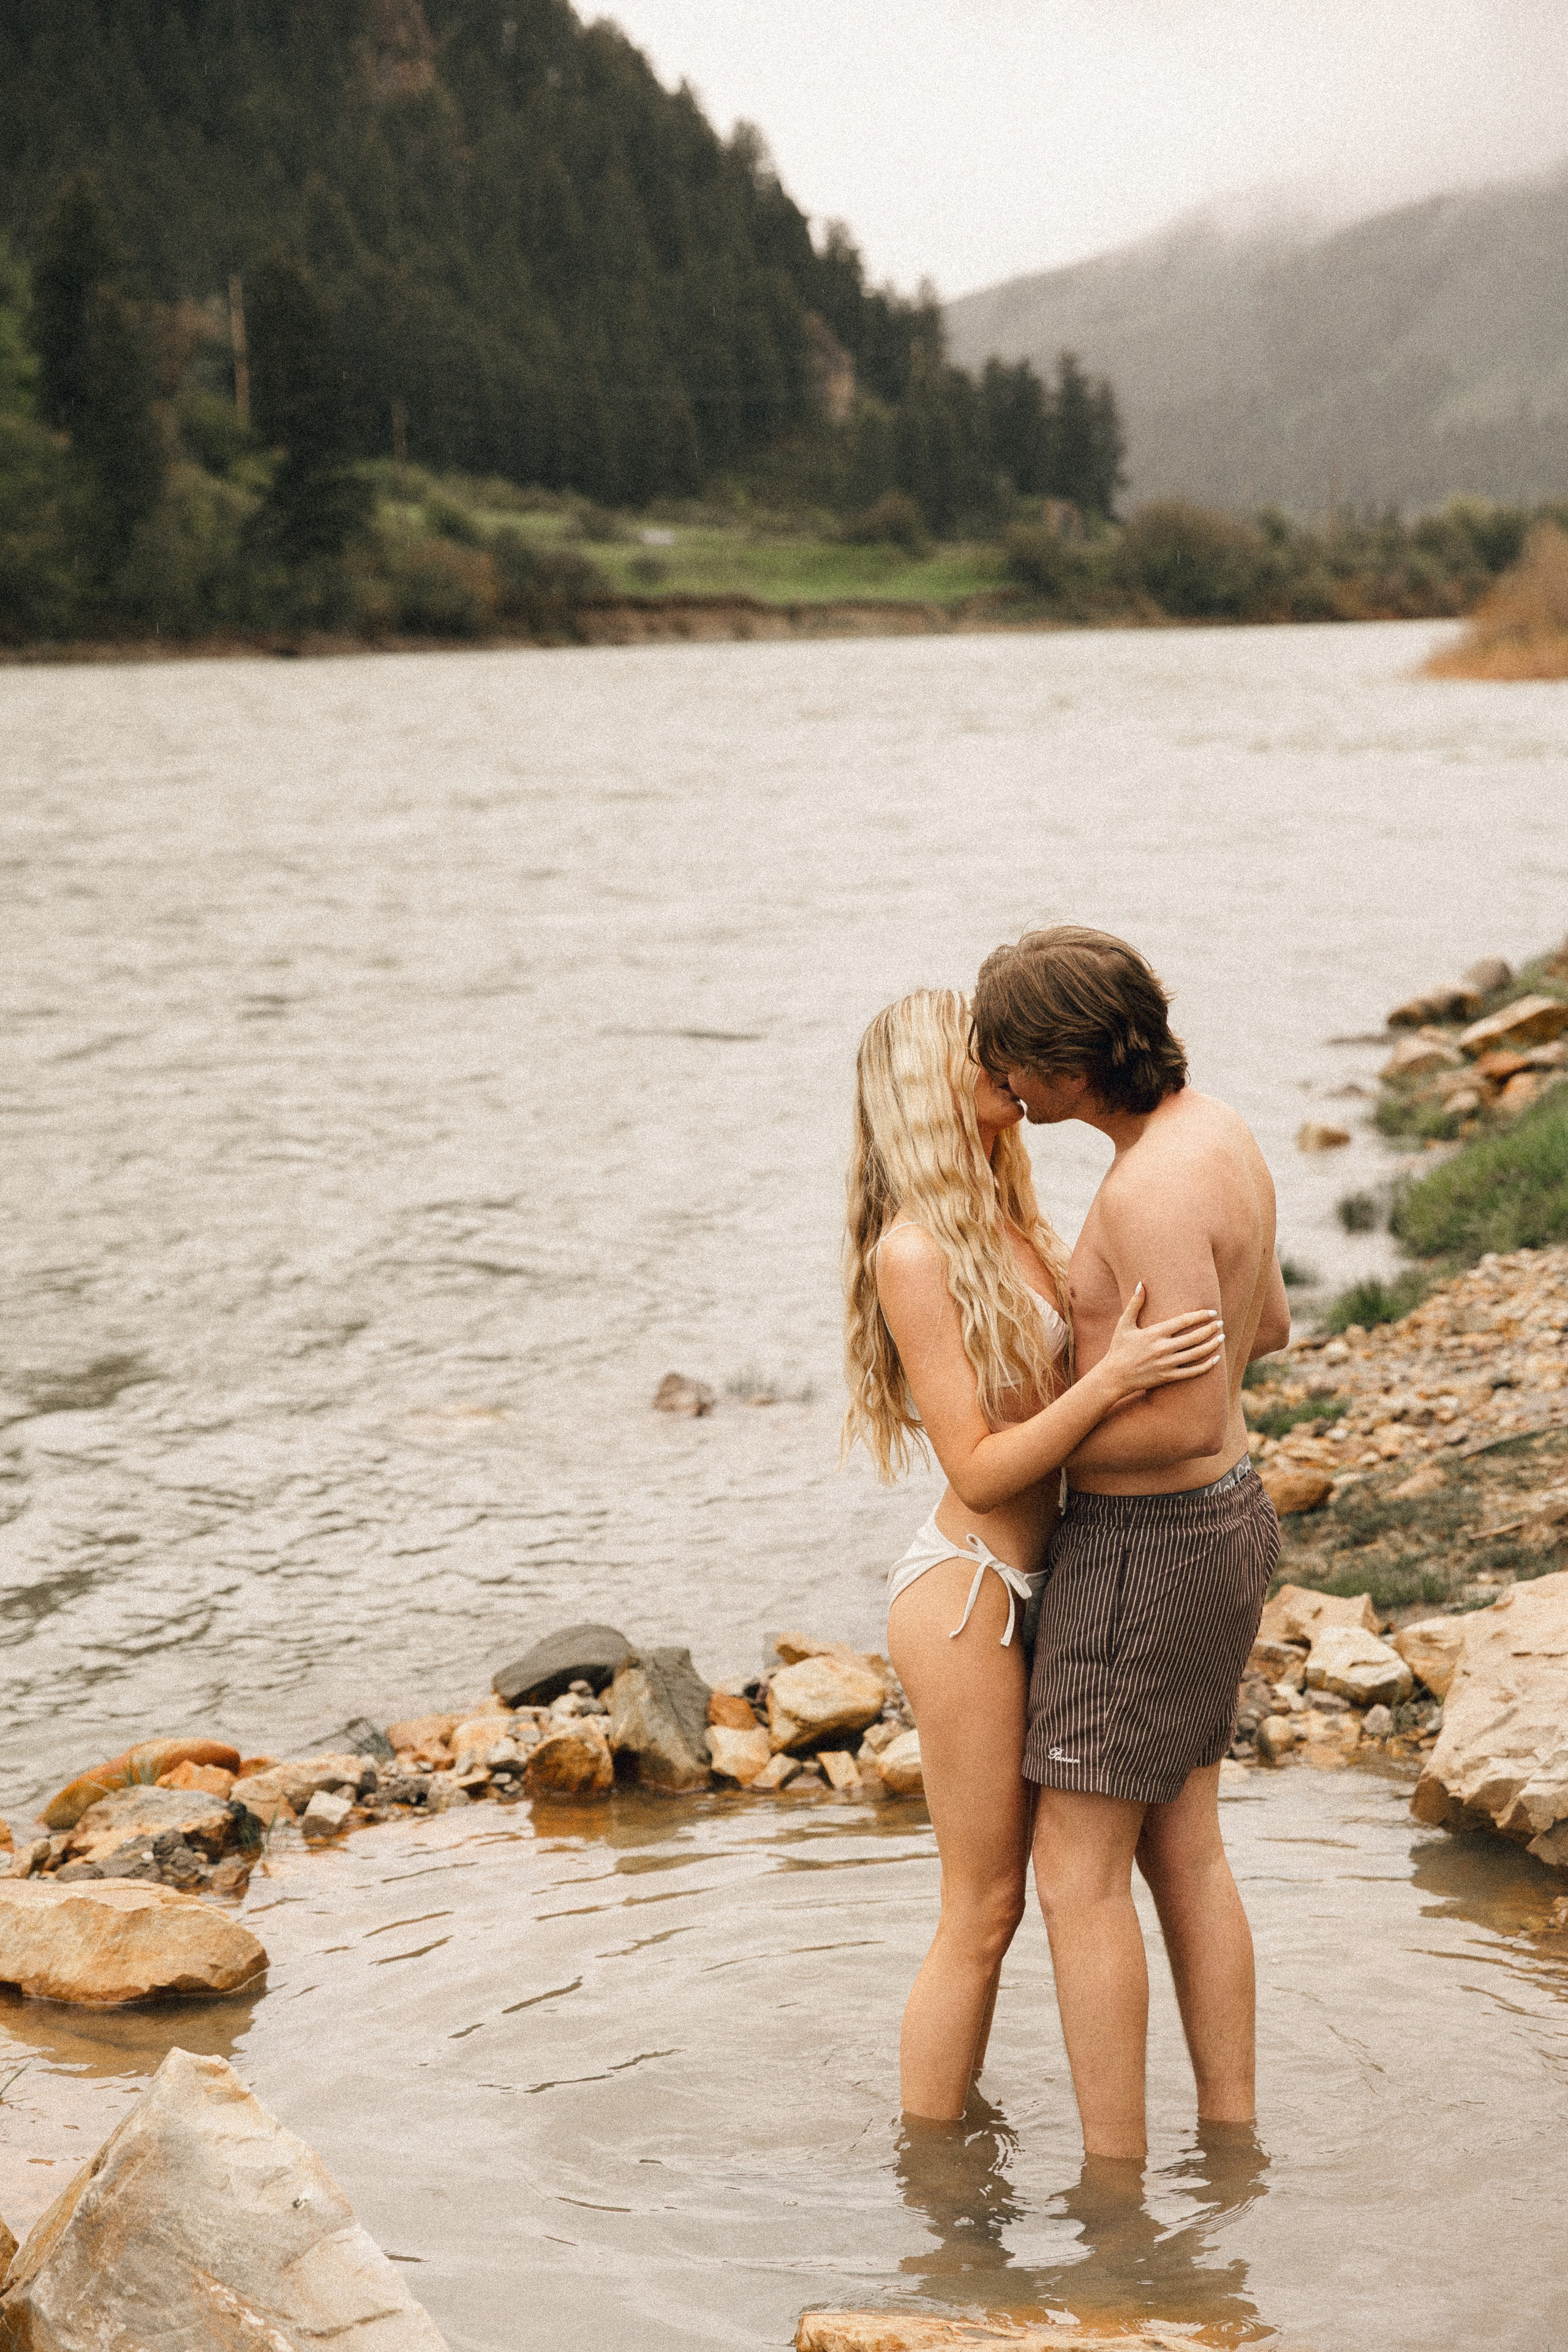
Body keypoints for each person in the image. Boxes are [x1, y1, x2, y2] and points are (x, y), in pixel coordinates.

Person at [842, 988, 1226, 2124]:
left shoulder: (1012, 1218)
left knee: (1052, 1884)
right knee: (985, 1905)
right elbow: (978, 1467)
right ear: (929, 1082)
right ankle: (931, 2160)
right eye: (983, 1056)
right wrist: (1112, 1382)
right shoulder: (913, 1252)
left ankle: (974, 2141)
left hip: (1062, 1580)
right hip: (970, 1594)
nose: (1008, 1069)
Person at [971, 924, 1290, 2165]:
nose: (999, 1085)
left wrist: (1036, 1440)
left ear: (1063, 1066)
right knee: (1185, 1848)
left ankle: (1112, 2194)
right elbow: (1265, 1323)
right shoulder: (1214, 1130)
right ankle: (1227, 2142)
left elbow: (1185, 1416)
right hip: (1220, 1525)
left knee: (1074, 1875)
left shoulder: (1146, 1188)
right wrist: (1114, 1370)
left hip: (1145, 1547)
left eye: (1008, 1061)